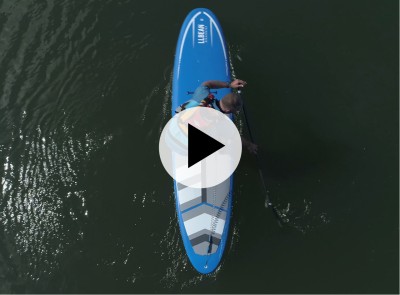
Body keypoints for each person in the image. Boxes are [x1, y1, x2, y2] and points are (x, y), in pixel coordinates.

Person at [175, 79, 258, 154]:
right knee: (224, 141)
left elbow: (207, 83)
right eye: (236, 110)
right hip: (185, 144)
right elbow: (236, 137)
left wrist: (229, 85)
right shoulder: (222, 123)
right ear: (228, 111)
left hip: (178, 122)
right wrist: (249, 145)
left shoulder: (203, 95)